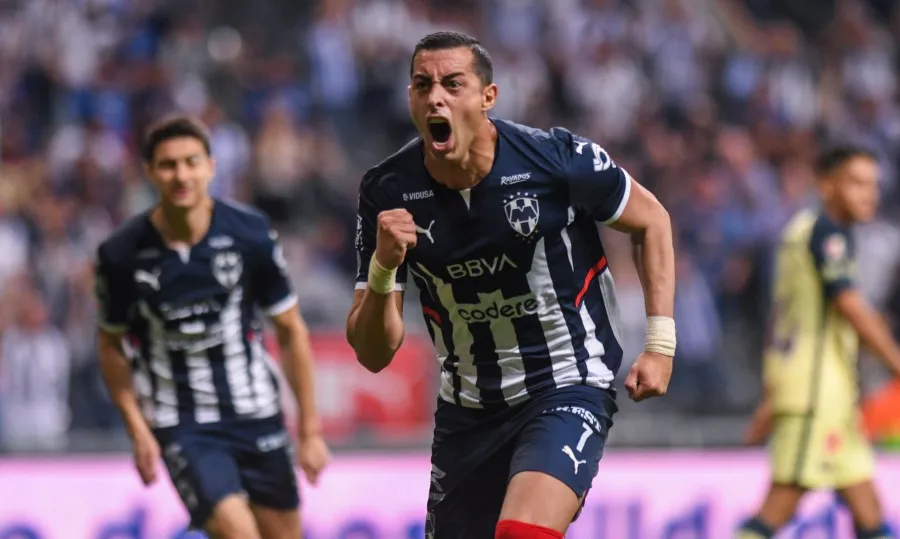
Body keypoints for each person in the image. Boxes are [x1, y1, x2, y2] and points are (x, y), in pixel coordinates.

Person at [345, 31, 675, 539]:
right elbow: (372, 353)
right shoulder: (386, 190)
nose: (436, 95)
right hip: (468, 408)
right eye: (422, 84)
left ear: (487, 97)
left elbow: (651, 221)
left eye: (453, 84)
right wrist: (384, 268)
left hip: (565, 382)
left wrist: (660, 345)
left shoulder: (557, 160)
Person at [94, 116, 330, 539]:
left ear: (211, 166)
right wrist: (137, 428)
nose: (181, 175)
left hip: (256, 412)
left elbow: (291, 329)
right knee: (236, 533)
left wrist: (310, 430)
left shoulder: (250, 233)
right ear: (149, 172)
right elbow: (110, 343)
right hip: (183, 423)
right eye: (168, 165)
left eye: (191, 162)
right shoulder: (120, 255)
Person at [738, 146, 899, 539]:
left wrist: (771, 392)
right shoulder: (825, 232)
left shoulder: (803, 232)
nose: (869, 194)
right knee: (780, 503)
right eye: (857, 183)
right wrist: (897, 362)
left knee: (869, 509)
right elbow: (852, 307)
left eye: (873, 185)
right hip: (815, 396)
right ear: (826, 185)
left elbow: (783, 323)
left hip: (829, 396)